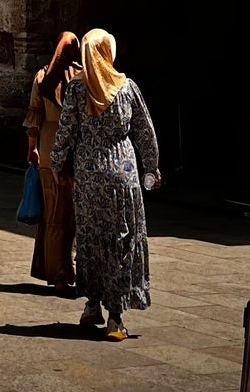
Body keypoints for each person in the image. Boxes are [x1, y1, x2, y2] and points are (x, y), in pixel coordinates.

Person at [50, 28, 159, 343]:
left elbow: (66, 130)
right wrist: (151, 167)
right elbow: (144, 130)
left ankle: (92, 304)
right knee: (120, 240)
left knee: (90, 239)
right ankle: (116, 316)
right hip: (121, 173)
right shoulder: (127, 89)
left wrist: (57, 164)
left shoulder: (76, 90)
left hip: (88, 173)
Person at [24, 30, 81, 294]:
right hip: (74, 152)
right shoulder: (82, 78)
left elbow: (34, 115)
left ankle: (56, 272)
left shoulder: (42, 76)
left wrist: (32, 149)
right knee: (71, 215)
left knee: (52, 214)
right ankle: (68, 270)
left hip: (47, 148)